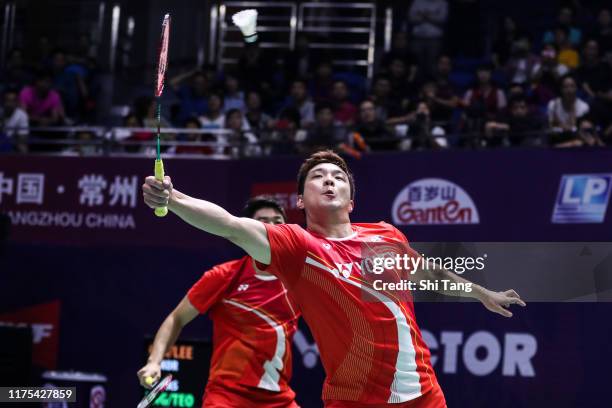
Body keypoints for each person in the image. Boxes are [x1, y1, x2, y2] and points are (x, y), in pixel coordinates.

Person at [142, 150, 526, 408]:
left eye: (338, 177)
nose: (329, 181)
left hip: (424, 394)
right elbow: (229, 225)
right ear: (300, 200)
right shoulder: (296, 246)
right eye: (318, 177)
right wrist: (173, 199)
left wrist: (480, 293)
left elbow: (429, 272)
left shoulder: (386, 236)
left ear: (351, 199)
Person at [137, 196, 301, 408]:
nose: (271, 228)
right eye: (263, 222)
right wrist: (154, 362)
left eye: (278, 222)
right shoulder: (225, 276)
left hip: (279, 399)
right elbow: (177, 318)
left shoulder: (299, 281)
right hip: (227, 396)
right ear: (250, 231)